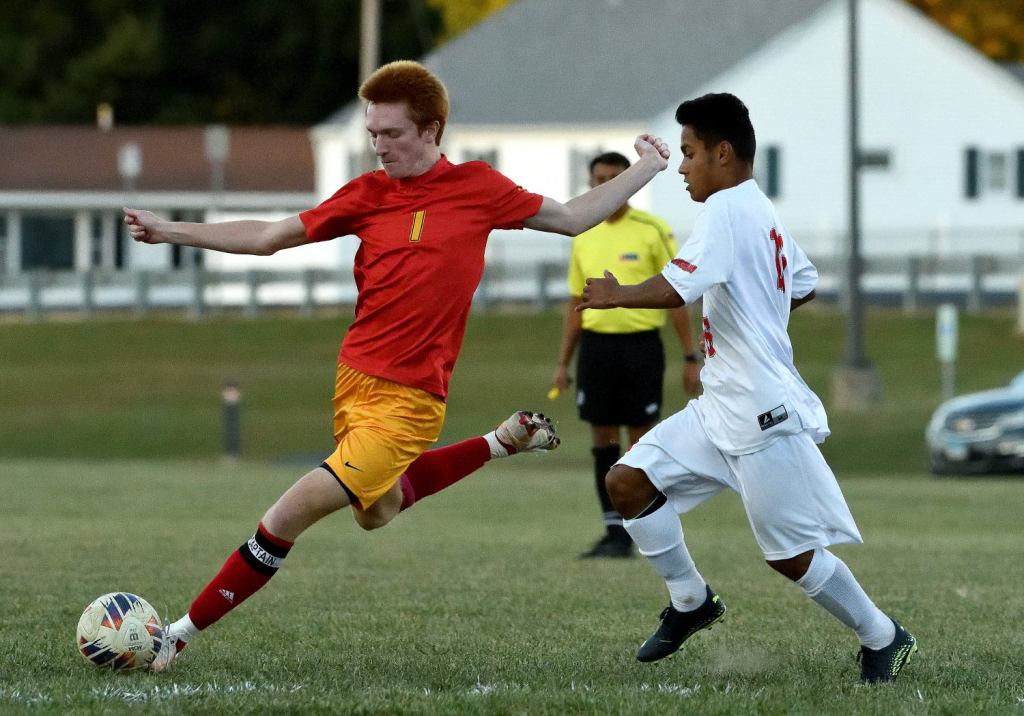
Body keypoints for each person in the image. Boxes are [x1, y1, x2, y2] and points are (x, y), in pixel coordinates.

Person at [122, 60, 672, 672]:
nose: (379, 147)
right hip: (352, 383)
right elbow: (269, 236)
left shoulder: (478, 187)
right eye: (372, 134)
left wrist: (646, 167)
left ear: (432, 129)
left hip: (409, 400)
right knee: (376, 512)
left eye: (392, 134)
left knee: (287, 514)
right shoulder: (367, 194)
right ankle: (500, 442)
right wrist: (169, 231)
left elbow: (571, 218)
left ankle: (175, 635)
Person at [577, 93, 917, 683]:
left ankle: (883, 635)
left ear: (723, 153)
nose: (683, 167)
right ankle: (691, 602)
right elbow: (803, 284)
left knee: (790, 555)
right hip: (720, 405)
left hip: (760, 411)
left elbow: (675, 288)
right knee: (626, 482)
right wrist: (758, 309)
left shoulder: (727, 209)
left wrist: (616, 294)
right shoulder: (759, 207)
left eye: (689, 153)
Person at [552, 151, 700, 559]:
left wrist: (690, 357)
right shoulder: (582, 232)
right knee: (602, 438)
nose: (608, 186)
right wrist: (563, 362)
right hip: (597, 349)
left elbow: (677, 296)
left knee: (641, 442)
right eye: (600, 179)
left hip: (640, 348)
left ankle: (645, 530)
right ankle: (613, 531)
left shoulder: (652, 230)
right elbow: (575, 302)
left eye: (616, 178)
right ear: (590, 182)